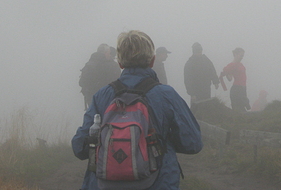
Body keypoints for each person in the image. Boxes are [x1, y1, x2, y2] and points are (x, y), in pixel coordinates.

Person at [72, 30, 202, 190]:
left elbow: (79, 147)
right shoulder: (167, 95)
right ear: (152, 60)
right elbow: (193, 143)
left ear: (120, 63)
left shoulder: (102, 95)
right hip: (159, 181)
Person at [79, 43, 122, 109]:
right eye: (109, 52)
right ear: (105, 53)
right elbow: (119, 83)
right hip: (108, 102)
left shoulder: (89, 64)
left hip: (91, 102)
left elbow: (81, 82)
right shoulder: (111, 66)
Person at [184, 42, 220, 107]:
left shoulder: (206, 60)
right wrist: (192, 94)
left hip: (206, 88)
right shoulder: (189, 63)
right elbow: (187, 80)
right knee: (196, 110)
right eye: (198, 51)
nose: (200, 53)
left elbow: (212, 70)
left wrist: (216, 81)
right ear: (194, 52)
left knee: (206, 107)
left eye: (200, 51)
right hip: (196, 91)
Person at [221, 47, 250, 112]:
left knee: (242, 107)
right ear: (235, 54)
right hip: (237, 89)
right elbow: (230, 78)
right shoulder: (231, 65)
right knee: (238, 109)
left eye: (243, 56)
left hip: (243, 88)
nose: (242, 57)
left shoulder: (240, 64)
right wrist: (226, 73)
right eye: (241, 55)